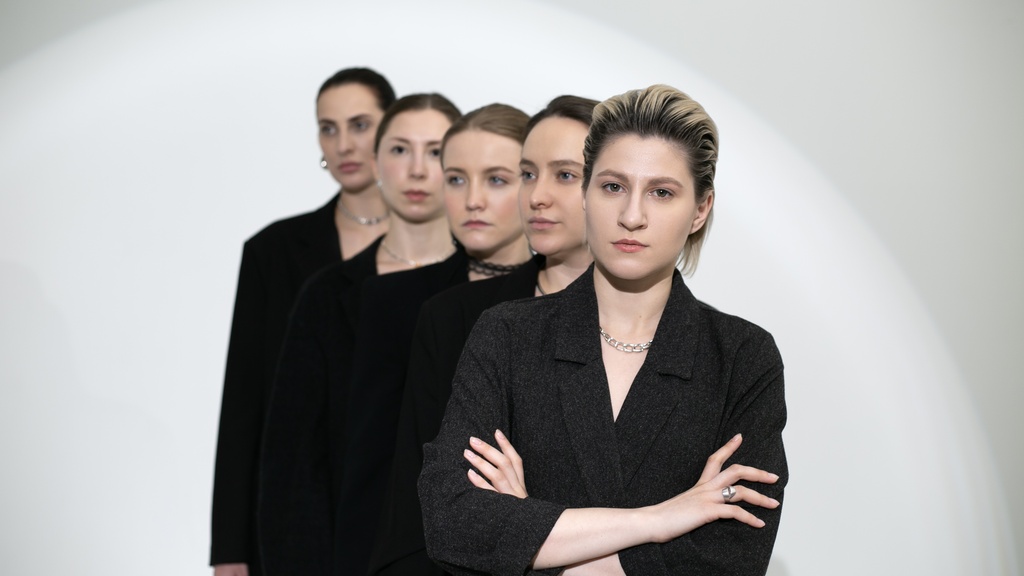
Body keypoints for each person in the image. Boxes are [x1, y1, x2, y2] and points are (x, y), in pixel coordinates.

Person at [419, 85, 788, 575]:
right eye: (613, 187)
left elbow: (734, 557)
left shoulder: (741, 356)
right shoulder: (508, 334)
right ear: (586, 194)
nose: (632, 216)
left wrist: (529, 539)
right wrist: (659, 520)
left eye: (661, 192)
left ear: (700, 209)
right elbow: (453, 521)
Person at [369, 95, 599, 576]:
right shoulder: (458, 316)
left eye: (564, 175)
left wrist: (520, 520)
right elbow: (413, 503)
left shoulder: (704, 339)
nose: (537, 195)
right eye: (528, 174)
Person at [258, 92, 462, 576]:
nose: (417, 170)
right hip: (348, 545)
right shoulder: (327, 295)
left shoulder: (494, 291)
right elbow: (294, 455)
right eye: (399, 149)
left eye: (435, 152)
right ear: (375, 161)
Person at [209, 66, 394, 576]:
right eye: (328, 128)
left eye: (360, 125)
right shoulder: (273, 252)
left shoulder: (444, 248)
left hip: (399, 508)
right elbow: (245, 402)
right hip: (298, 511)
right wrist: (229, 550)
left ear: (391, 128)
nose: (343, 144)